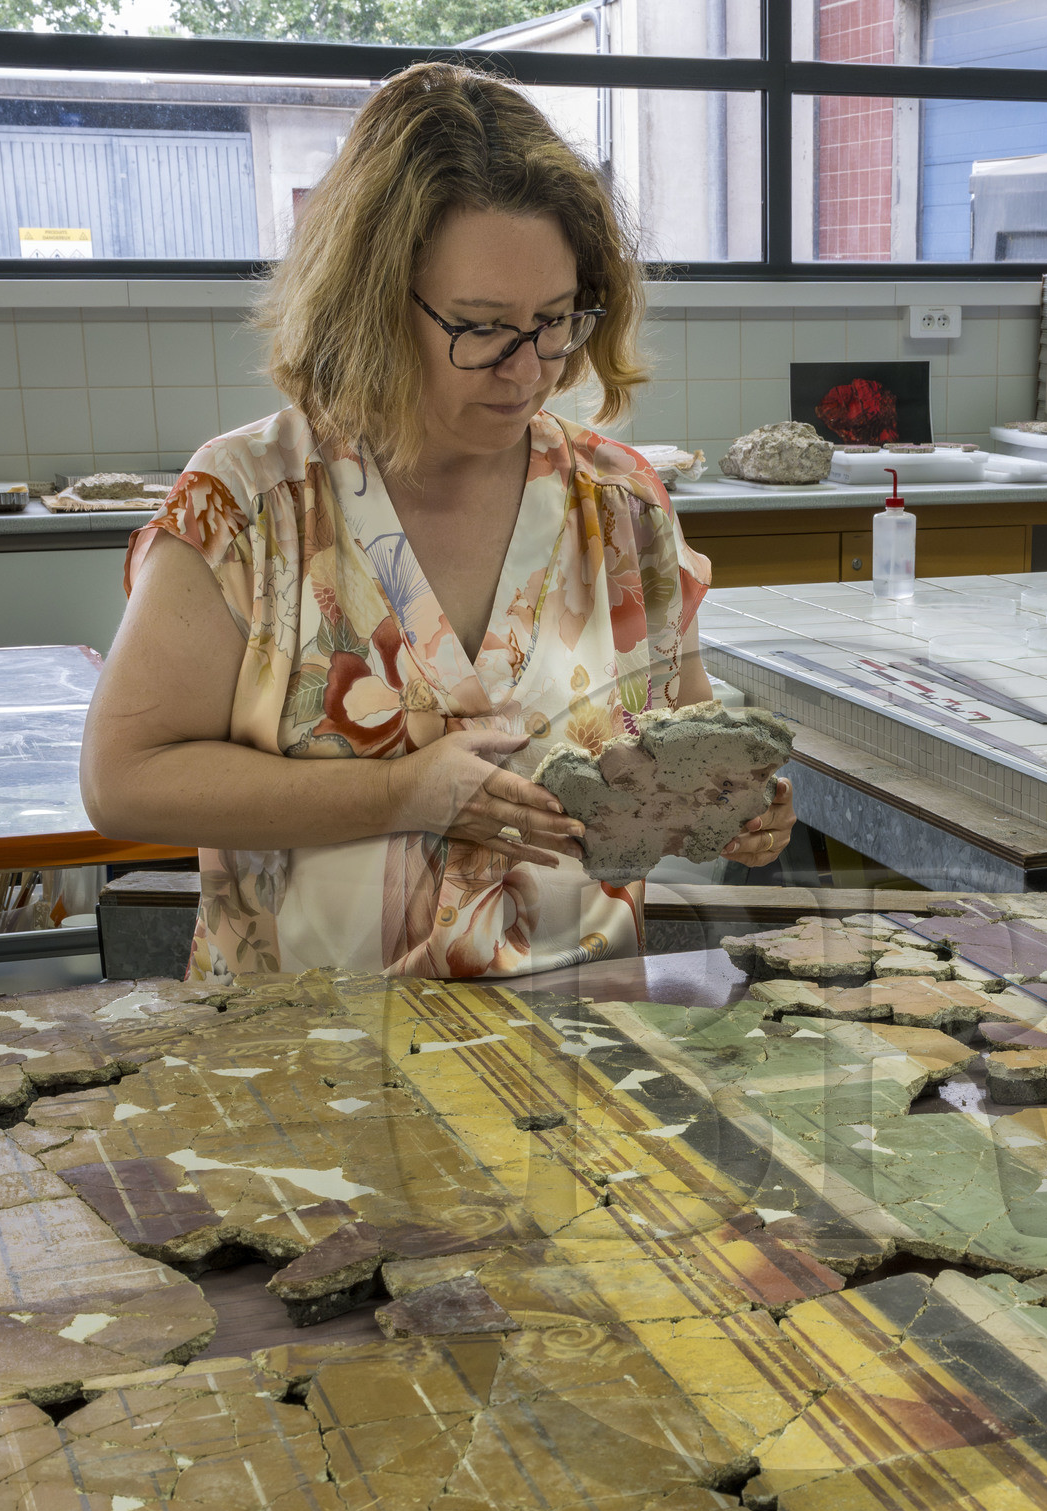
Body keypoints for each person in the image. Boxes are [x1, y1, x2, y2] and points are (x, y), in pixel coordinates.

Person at [81, 62, 795, 979]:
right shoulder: (253, 506)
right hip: (311, 1058)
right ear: (375, 303)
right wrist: (399, 791)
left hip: (580, 1046)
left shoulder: (619, 508)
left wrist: (742, 803)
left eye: (557, 320)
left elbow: (681, 740)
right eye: (481, 325)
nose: (529, 370)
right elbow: (124, 781)